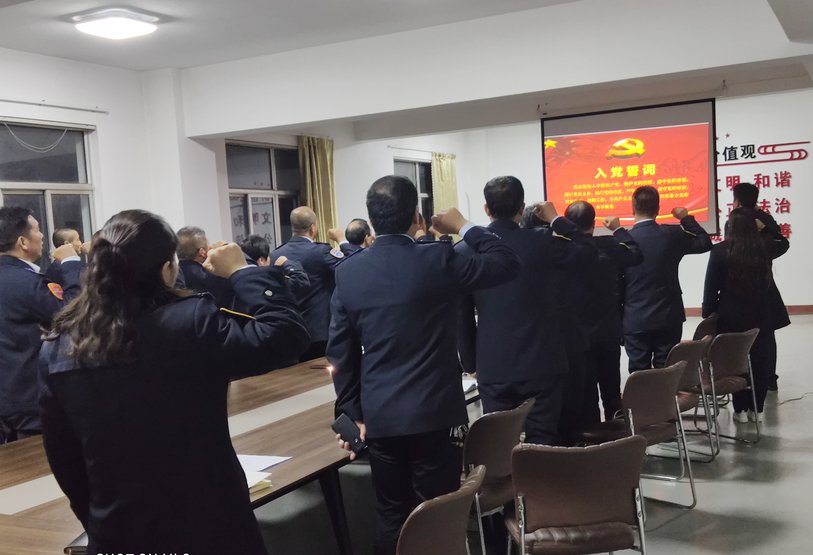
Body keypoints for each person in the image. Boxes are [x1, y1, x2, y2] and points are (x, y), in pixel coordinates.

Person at [39, 209, 310, 555]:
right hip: (210, 525)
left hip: (117, 530)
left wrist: (98, 520)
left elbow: (64, 457)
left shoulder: (58, 345)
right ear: (167, 269)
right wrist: (242, 271)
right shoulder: (190, 322)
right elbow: (286, 336)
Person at [327, 175, 521, 555]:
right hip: (437, 413)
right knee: (437, 512)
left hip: (381, 417)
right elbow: (507, 261)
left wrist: (352, 415)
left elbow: (341, 354)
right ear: (416, 215)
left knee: (391, 515)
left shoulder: (347, 272)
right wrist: (463, 226)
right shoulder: (439, 258)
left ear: (371, 220)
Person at [456, 177, 596, 446]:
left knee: (499, 442)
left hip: (493, 363)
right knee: (543, 441)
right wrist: (556, 219)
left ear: (487, 209)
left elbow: (461, 315)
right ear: (522, 208)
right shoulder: (544, 241)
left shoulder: (466, 249)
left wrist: (471, 363)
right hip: (542, 360)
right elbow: (589, 252)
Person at [0, 207, 83, 443]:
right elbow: (72, 313)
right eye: (37, 230)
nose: (42, 235)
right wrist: (71, 263)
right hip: (28, 403)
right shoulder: (26, 282)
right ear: (22, 242)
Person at [702, 208, 788, 423]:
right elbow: (783, 242)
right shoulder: (764, 247)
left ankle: (739, 409)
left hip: (731, 315)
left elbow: (710, 287)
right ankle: (756, 410)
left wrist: (708, 314)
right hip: (763, 314)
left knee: (735, 361)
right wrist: (766, 228)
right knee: (760, 362)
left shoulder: (720, 251)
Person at [563, 201, 644, 424]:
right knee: (612, 391)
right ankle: (618, 435)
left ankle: (592, 438)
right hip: (608, 330)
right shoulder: (609, 245)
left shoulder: (563, 250)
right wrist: (618, 230)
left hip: (578, 335)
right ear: (593, 223)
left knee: (586, 394)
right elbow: (636, 254)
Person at [623, 186, 712, 372]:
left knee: (639, 372)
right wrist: (685, 218)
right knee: (667, 371)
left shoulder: (623, 240)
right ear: (658, 209)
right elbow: (704, 242)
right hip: (668, 315)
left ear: (632, 209)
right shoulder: (672, 234)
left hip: (635, 317)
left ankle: (642, 393)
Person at [731, 182, 790, 391]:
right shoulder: (764, 221)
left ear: (736, 200)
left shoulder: (735, 221)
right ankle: (769, 379)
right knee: (766, 337)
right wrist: (763, 222)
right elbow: (781, 241)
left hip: (738, 292)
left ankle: (745, 379)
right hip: (765, 289)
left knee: (742, 339)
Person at [273, 206, 345, 361]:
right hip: (320, 331)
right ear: (313, 228)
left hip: (291, 331)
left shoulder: (276, 254)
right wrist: (342, 241)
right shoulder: (321, 251)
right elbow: (349, 268)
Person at [176, 226, 235, 307]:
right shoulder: (213, 277)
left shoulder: (173, 277)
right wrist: (226, 247)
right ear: (202, 252)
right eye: (208, 244)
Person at [239, 234, 311, 299]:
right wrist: (286, 264)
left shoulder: (238, 281)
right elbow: (302, 282)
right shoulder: (268, 282)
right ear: (261, 260)